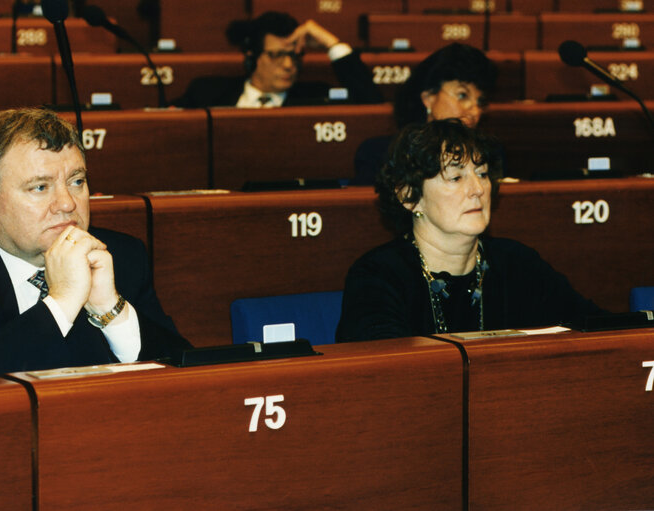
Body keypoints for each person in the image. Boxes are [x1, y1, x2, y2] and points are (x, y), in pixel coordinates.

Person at [0, 108, 191, 384]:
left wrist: (110, 310)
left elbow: (185, 373)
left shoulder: (119, 255)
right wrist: (60, 304)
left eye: (76, 181)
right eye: (40, 187)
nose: (67, 203)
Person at [336, 119, 603, 342]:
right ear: (409, 195)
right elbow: (382, 370)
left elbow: (597, 326)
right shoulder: (378, 275)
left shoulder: (517, 263)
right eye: (456, 177)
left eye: (483, 173)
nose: (477, 189)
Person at [353, 43, 498, 185]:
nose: (475, 111)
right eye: (462, 95)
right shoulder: (381, 154)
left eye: (480, 102)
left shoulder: (489, 155)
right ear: (428, 98)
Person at [171, 11, 382, 108]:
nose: (289, 65)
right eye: (276, 55)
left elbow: (372, 104)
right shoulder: (206, 93)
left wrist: (330, 43)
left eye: (294, 55)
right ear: (251, 56)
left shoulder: (318, 98)